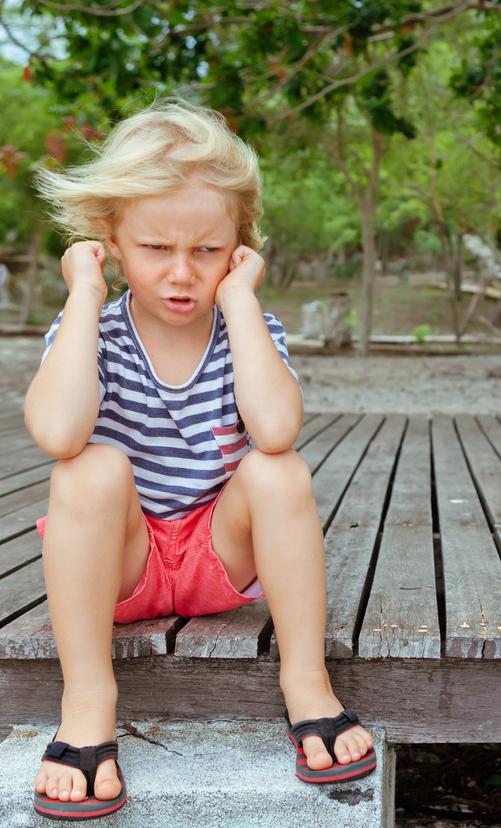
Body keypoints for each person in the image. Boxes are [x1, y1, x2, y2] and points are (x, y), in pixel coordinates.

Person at [23, 99, 375, 821]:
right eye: (155, 249)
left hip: (219, 556)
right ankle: (88, 699)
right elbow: (58, 432)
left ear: (240, 247)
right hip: (124, 563)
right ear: (110, 240)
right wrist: (84, 295)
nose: (182, 274)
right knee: (86, 467)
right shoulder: (91, 325)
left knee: (279, 470)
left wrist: (243, 303)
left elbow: (276, 430)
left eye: (207, 252)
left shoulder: (250, 325)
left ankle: (305, 680)